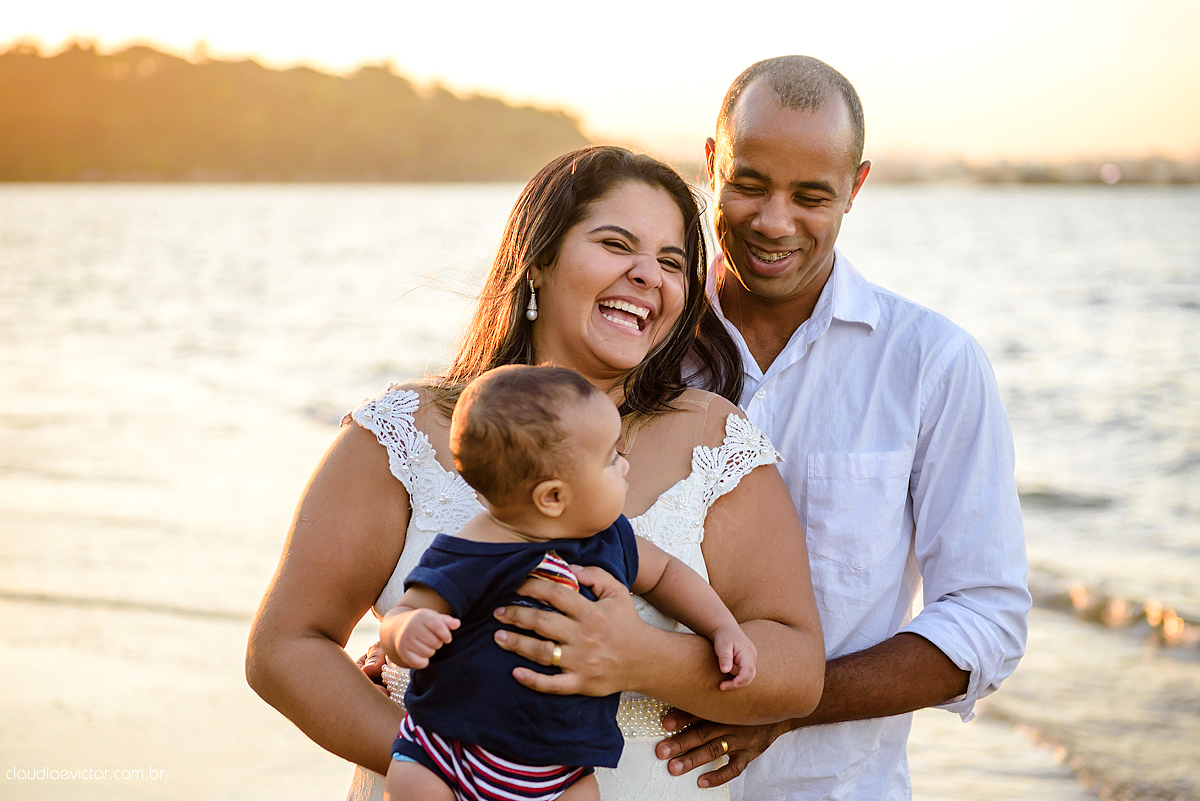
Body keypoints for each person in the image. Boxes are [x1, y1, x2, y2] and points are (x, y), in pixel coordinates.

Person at [489, 58, 1031, 800]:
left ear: (857, 188)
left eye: (811, 196)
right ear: (712, 163)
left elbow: (987, 615)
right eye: (749, 184)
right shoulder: (631, 335)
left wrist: (786, 702)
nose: (775, 222)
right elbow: (526, 513)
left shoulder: (931, 364)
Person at [245, 145, 825, 801]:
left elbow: (798, 668)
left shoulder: (716, 438)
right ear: (541, 259)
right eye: (616, 244)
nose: (648, 275)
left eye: (671, 262)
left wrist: (638, 656)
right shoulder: (401, 431)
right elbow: (286, 646)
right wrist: (463, 770)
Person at [381, 364, 757, 801]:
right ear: (554, 497)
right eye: (612, 459)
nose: (626, 465)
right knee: (411, 783)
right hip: (449, 748)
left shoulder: (610, 538)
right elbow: (406, 610)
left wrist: (722, 627)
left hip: (559, 768)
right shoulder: (470, 550)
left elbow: (669, 574)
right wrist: (405, 631)